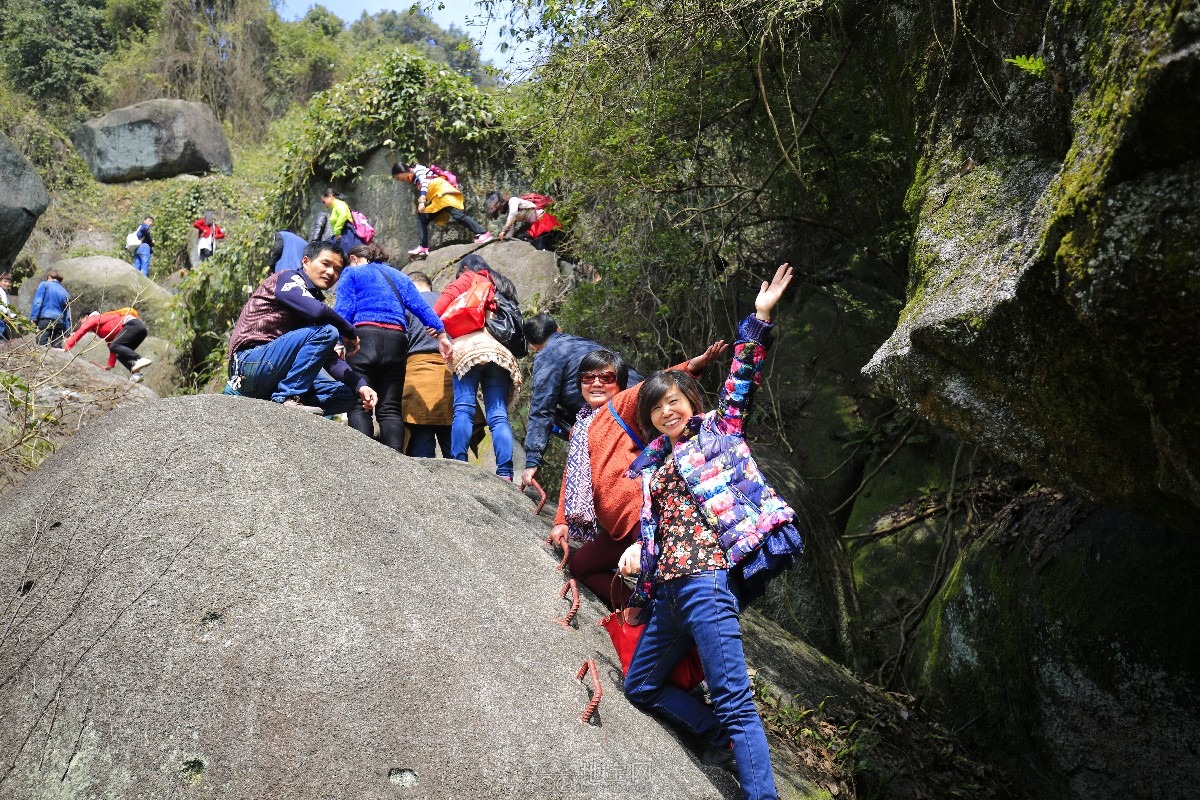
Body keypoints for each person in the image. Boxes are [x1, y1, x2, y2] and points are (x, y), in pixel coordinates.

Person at [617, 264, 801, 799]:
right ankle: (718, 735)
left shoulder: (718, 431)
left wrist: (758, 320)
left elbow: (743, 375)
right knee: (641, 685)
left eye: (674, 400)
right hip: (669, 594)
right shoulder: (650, 466)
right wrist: (637, 562)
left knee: (734, 696)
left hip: (705, 581)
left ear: (692, 402)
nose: (666, 410)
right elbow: (658, 530)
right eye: (656, 407)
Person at [544, 342, 723, 610]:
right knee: (581, 566)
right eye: (588, 378)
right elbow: (571, 478)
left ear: (619, 384)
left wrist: (692, 366)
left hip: (641, 511)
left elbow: (650, 387)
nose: (596, 384)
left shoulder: (620, 405)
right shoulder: (579, 428)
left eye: (606, 378)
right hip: (616, 527)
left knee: (660, 573)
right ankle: (637, 614)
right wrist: (562, 521)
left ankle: (673, 623)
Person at [223, 240, 378, 415]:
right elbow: (318, 313)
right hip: (249, 364)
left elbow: (329, 359)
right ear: (306, 261)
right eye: (325, 264)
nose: (330, 272)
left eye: (337, 270)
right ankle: (289, 398)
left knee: (346, 396)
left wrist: (360, 386)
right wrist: (348, 329)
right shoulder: (289, 278)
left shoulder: (312, 303)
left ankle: (280, 403)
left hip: (275, 373)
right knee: (328, 331)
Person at [333, 242, 451, 451]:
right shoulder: (400, 277)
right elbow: (421, 306)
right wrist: (440, 334)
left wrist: (340, 341)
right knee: (390, 409)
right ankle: (395, 466)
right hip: (397, 340)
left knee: (359, 404)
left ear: (353, 259)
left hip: (363, 338)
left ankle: (361, 462)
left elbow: (344, 309)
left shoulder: (352, 273)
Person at [519, 312, 642, 489]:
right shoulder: (583, 342)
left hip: (613, 412)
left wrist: (532, 460)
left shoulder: (547, 356)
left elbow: (542, 407)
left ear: (532, 346)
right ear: (559, 329)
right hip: (639, 393)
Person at [432, 254, 521, 480]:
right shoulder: (503, 285)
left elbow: (443, 302)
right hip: (500, 352)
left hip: (469, 348)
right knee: (498, 415)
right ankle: (505, 472)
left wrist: (435, 326)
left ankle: (459, 462)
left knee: (464, 407)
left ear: (464, 268)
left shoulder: (468, 277)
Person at [403, 271, 454, 458]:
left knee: (422, 454)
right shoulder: (449, 302)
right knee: (455, 453)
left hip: (417, 383)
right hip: (449, 380)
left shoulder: (405, 305)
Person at [391, 162, 492, 257]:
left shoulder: (418, 169)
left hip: (443, 193)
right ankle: (423, 247)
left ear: (402, 171)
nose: (400, 180)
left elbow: (425, 183)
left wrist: (422, 201)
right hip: (437, 197)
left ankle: (483, 233)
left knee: (458, 215)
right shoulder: (414, 178)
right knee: (422, 218)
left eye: (398, 177)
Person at [63, 307, 153, 382]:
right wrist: (110, 365)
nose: (81, 324)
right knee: (119, 354)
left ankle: (140, 359)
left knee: (115, 346)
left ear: (86, 317)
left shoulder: (94, 318)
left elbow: (82, 331)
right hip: (139, 330)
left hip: (133, 325)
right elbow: (112, 345)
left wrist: (66, 347)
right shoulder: (102, 327)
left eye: (81, 321)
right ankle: (136, 374)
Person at [485, 191, 562, 250]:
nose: (500, 212)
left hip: (544, 220)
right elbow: (511, 232)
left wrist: (504, 230)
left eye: (498, 209)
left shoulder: (513, 200)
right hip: (536, 225)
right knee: (520, 237)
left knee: (541, 247)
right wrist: (504, 242)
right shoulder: (510, 213)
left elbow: (513, 214)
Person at [30, 270, 71, 347]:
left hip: (46, 319)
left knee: (41, 344)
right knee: (57, 346)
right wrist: (67, 330)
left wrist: (34, 317)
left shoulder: (45, 285)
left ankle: (42, 359)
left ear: (49, 277)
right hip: (59, 321)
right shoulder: (65, 292)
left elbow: (38, 302)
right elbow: (67, 313)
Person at [321, 188, 361, 258]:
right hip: (343, 234)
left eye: (324, 202)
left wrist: (337, 231)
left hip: (346, 233)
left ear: (330, 196)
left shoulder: (339, 204)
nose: (324, 205)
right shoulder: (335, 207)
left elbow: (343, 214)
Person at [0, 273, 16, 340]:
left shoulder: (4, 292)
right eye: (5, 282)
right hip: (1, 317)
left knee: (6, 340)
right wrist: (6, 315)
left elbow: (7, 306)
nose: (7, 284)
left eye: (9, 282)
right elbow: (2, 306)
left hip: (3, 318)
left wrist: (11, 316)